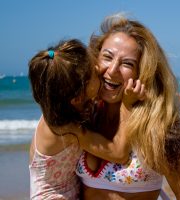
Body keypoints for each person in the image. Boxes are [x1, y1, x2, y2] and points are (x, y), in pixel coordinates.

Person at [76, 14, 180, 200]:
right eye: (107, 57)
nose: (112, 70)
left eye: (127, 63)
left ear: (143, 72)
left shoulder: (157, 128)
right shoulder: (85, 114)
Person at [28, 39, 145, 199]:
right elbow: (119, 153)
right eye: (94, 73)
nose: (100, 68)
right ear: (78, 97)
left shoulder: (61, 107)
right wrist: (127, 104)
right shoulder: (68, 128)